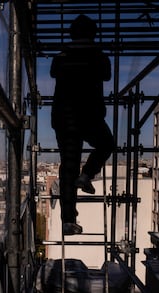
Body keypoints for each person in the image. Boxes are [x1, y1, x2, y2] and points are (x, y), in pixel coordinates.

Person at [50, 14, 115, 235]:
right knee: (106, 144)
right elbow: (106, 75)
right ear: (93, 34)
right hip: (89, 116)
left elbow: (54, 72)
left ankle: (68, 219)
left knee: (68, 165)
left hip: (64, 118)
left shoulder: (61, 57)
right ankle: (87, 175)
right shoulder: (99, 57)